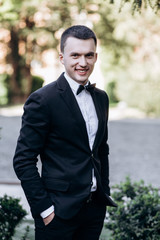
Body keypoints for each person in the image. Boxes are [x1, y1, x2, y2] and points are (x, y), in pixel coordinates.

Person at [13, 25, 117, 240]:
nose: (83, 62)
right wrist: (45, 209)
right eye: (75, 55)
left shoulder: (101, 98)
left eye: (89, 55)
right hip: (57, 213)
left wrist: (103, 192)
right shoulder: (43, 100)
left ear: (96, 57)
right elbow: (23, 160)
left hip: (93, 211)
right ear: (62, 57)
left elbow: (101, 150)